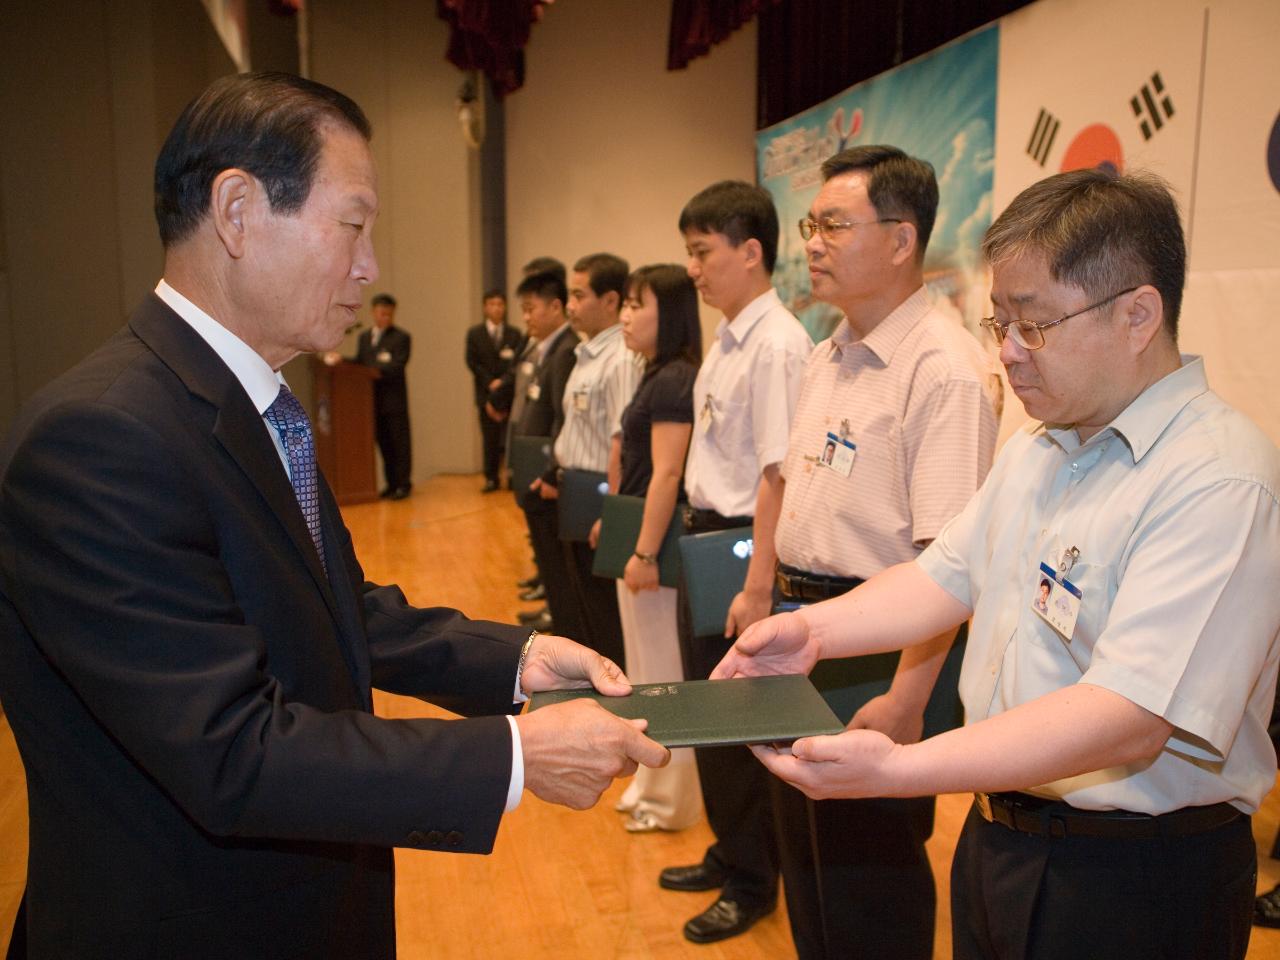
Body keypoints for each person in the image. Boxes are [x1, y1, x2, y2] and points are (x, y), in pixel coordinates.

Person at [0, 72, 669, 960]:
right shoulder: (99, 437)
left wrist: (518, 661)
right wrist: (516, 757)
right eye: (352, 224)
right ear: (236, 211)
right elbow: (230, 749)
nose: (370, 265)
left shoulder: (253, 404)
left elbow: (338, 607)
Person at [716, 167, 1280, 960]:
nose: (1009, 353)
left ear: (1138, 315)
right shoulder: (1042, 447)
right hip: (1003, 845)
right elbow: (939, 577)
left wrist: (899, 769)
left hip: (1136, 879)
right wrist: (809, 632)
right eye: (1000, 323)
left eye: (1035, 324)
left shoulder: (1218, 478)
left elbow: (1128, 715)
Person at [746, 145, 1001, 960]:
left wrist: (906, 699)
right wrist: (761, 593)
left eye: (833, 224)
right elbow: (792, 486)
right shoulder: (829, 351)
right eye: (810, 224)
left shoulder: (946, 369)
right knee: (809, 867)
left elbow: (948, 566)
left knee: (871, 883)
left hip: (880, 651)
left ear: (901, 240)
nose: (812, 242)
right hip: (799, 631)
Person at [657, 180, 812, 945]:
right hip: (708, 540)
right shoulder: (729, 337)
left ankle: (755, 880)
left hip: (741, 548)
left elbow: (779, 473)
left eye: (702, 251)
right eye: (688, 252)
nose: (693, 268)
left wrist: (757, 588)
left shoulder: (779, 343)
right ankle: (731, 850)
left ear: (751, 252)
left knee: (738, 721)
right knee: (708, 714)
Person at [602, 264, 704, 833]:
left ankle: (672, 801)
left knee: (662, 677)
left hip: (658, 548)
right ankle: (649, 781)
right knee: (641, 673)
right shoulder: (656, 373)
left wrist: (642, 554)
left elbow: (667, 476)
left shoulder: (676, 379)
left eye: (637, 304)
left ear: (669, 313)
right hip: (640, 536)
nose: (626, 315)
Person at [536, 253, 639, 671]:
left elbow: (623, 442)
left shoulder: (620, 359)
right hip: (575, 490)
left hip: (600, 493)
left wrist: (612, 510)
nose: (571, 305)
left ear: (611, 300)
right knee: (580, 603)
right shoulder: (585, 354)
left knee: (603, 611)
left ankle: (615, 692)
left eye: (579, 295)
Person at [512, 269, 584, 639]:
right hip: (534, 470)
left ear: (556, 307)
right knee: (548, 560)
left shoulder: (566, 349)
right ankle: (556, 615)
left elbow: (561, 417)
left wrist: (552, 471)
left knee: (559, 565)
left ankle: (564, 624)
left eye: (531, 309)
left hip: (548, 474)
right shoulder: (545, 349)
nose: (526, 317)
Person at [465, 289, 524, 493]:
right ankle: (491, 478)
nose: (496, 308)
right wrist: (490, 382)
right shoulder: (475, 334)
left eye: (500, 304)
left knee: (510, 438)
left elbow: (516, 364)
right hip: (485, 393)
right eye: (492, 304)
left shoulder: (514, 334)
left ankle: (512, 475)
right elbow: (472, 362)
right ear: (484, 307)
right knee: (489, 439)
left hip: (508, 394)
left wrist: (503, 383)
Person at [355, 292, 413, 499]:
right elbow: (359, 363)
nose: (385, 318)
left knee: (399, 445)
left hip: (394, 401)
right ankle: (390, 484)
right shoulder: (364, 337)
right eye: (382, 314)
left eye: (389, 314)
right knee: (384, 444)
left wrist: (374, 368)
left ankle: (403, 484)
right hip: (370, 401)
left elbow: (397, 365)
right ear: (373, 313)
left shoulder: (401, 337)